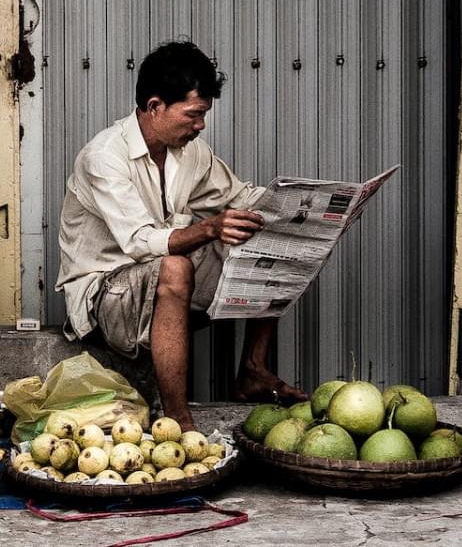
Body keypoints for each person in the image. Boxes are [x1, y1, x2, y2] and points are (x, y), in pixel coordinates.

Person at [55, 40, 306, 431]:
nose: (201, 125)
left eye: (203, 114)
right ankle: (179, 421)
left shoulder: (191, 152)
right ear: (155, 107)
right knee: (174, 267)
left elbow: (241, 198)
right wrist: (208, 227)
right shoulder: (103, 157)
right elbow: (140, 242)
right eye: (194, 114)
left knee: (260, 234)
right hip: (105, 298)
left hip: (157, 285)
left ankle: (253, 370)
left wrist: (304, 208)